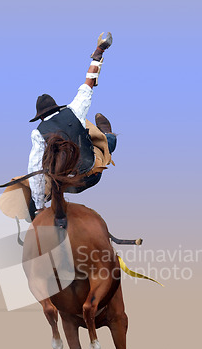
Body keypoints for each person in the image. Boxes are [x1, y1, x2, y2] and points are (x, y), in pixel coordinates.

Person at [27, 32, 117, 220]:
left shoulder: (38, 133)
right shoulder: (73, 110)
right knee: (103, 141)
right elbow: (88, 85)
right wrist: (99, 53)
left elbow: (33, 169)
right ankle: (109, 134)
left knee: (38, 180)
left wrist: (39, 207)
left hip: (70, 186)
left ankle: (39, 221)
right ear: (56, 109)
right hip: (92, 174)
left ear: (40, 117)